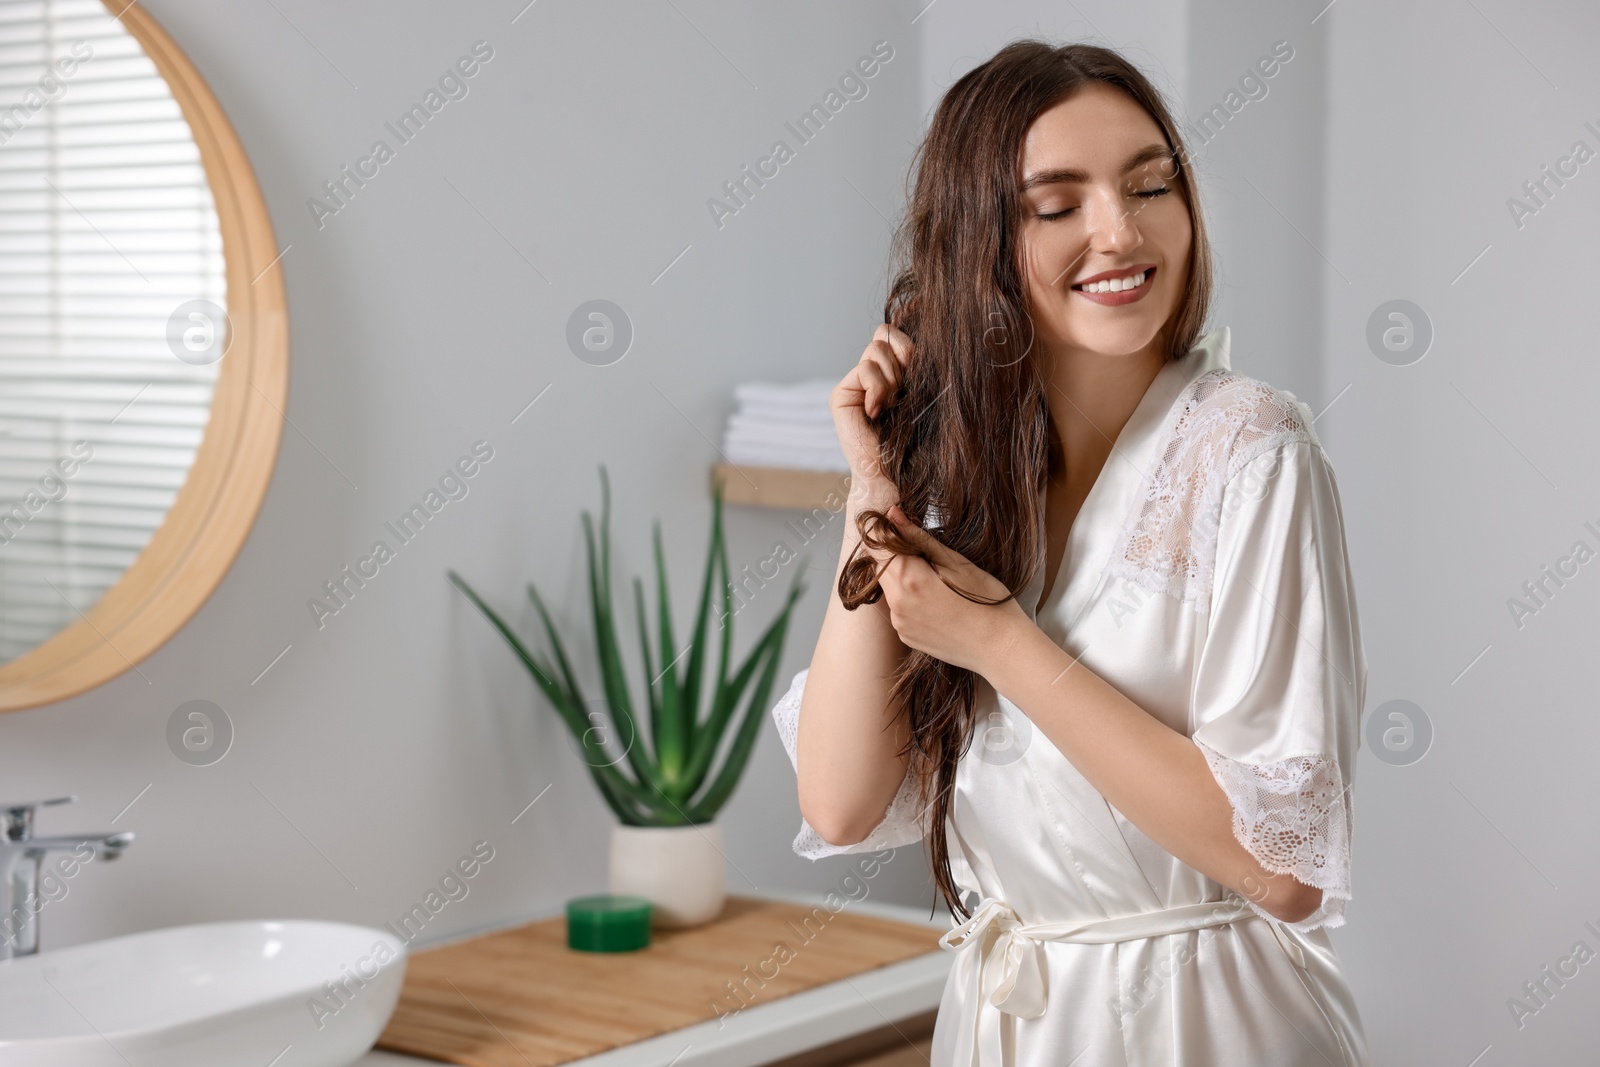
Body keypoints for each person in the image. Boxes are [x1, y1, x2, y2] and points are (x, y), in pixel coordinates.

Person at [768, 39, 1371, 1067]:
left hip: (1206, 1027)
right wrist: (876, 489)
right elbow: (838, 796)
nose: (1120, 231)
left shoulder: (1250, 449)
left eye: (1150, 185)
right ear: (976, 245)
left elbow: (1282, 866)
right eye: (1056, 205)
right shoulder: (960, 480)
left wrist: (1000, 643)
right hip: (1006, 1023)